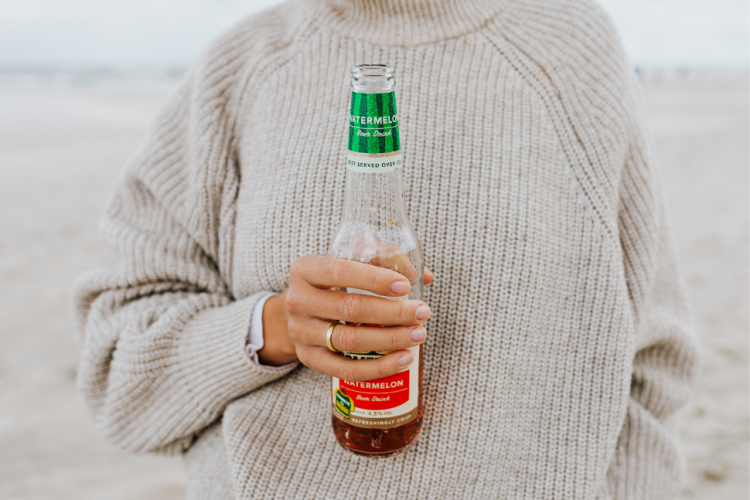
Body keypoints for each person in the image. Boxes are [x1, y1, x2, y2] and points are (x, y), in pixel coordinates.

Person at [72, 0, 701, 498]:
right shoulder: (242, 67)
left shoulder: (570, 45)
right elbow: (115, 375)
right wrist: (275, 328)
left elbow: (653, 367)